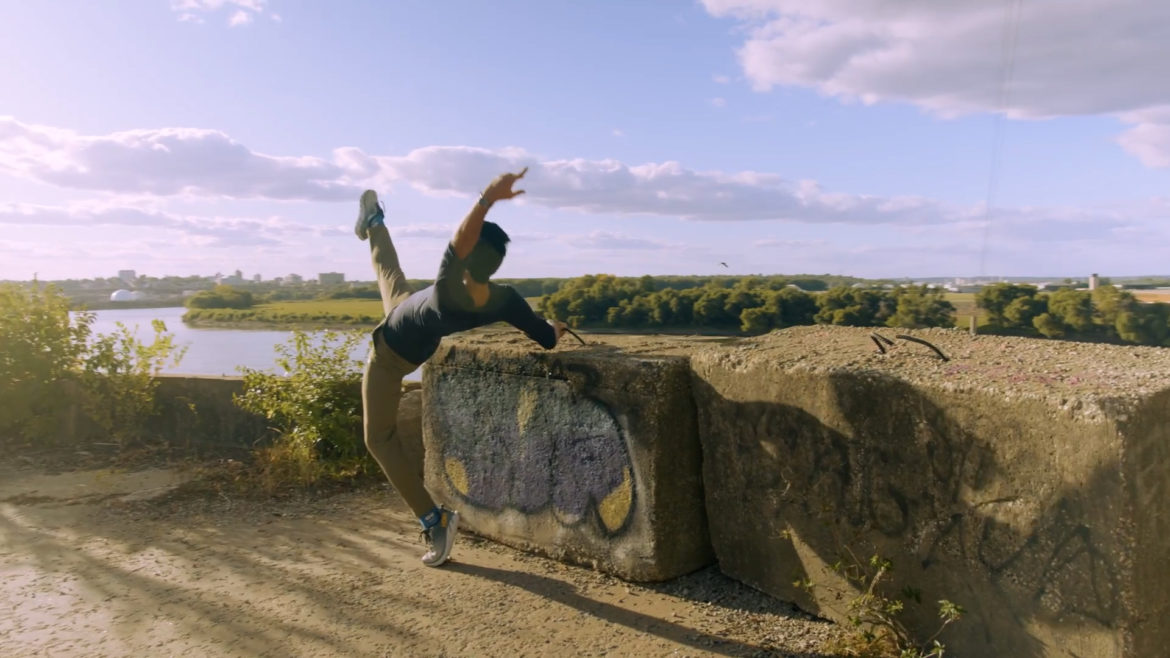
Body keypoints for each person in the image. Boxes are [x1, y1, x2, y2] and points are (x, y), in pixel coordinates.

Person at [354, 167, 567, 567]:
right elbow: (546, 338)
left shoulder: (450, 286)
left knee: (377, 441)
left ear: (467, 257)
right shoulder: (505, 299)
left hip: (390, 356)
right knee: (388, 272)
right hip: (408, 315)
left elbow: (461, 238)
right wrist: (558, 328)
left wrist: (488, 197)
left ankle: (435, 520)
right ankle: (375, 221)